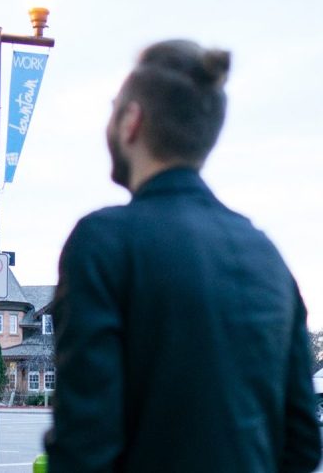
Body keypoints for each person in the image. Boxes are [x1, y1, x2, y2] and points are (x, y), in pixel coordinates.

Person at [44, 40, 322, 472]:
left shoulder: (103, 242)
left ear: (131, 121)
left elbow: (85, 444)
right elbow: (303, 443)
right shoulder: (267, 255)